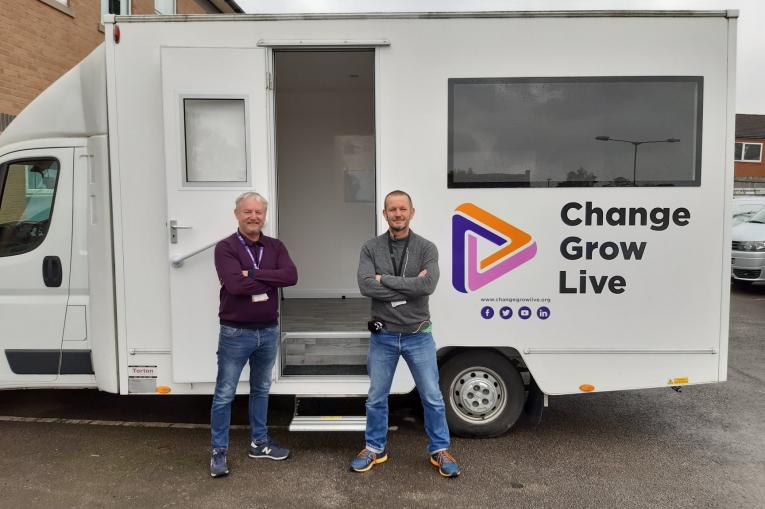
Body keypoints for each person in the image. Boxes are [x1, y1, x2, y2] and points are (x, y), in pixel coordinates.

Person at [351, 190, 460, 478]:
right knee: (376, 397)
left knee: (432, 397)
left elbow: (428, 286)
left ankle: (440, 449)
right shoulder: (370, 248)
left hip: (419, 335)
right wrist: (410, 283)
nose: (397, 214)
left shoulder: (426, 248)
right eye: (391, 209)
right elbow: (365, 286)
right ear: (384, 214)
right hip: (383, 336)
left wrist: (383, 279)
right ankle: (374, 448)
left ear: (412, 212)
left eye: (402, 209)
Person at [209, 192, 298, 478]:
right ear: (237, 214)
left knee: (261, 390)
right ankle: (218, 452)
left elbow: (291, 277)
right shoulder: (225, 248)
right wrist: (266, 277)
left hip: (268, 331)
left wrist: (253, 273)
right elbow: (235, 286)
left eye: (258, 212)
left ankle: (259, 443)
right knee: (225, 394)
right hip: (236, 333)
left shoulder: (275, 245)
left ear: (264, 215)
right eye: (247, 212)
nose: (253, 217)